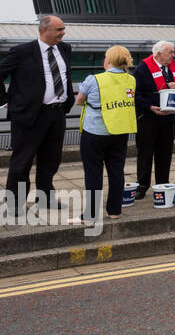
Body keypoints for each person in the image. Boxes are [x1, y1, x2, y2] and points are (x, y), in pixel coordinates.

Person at [0, 14, 74, 214]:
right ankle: (15, 204)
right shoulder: (22, 52)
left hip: (57, 113)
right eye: (59, 29)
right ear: (44, 30)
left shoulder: (65, 49)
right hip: (30, 115)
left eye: (63, 29)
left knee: (51, 159)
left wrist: (68, 101)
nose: (63, 33)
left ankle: (45, 198)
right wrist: (5, 101)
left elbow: (65, 76)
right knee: (21, 161)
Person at [75, 45, 137, 225]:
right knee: (116, 171)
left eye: (105, 57)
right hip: (119, 131)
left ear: (108, 61)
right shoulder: (131, 80)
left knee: (93, 172)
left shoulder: (94, 79)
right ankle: (115, 211)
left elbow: (79, 101)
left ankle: (91, 214)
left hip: (95, 131)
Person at [132, 39, 175, 200]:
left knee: (165, 154)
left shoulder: (174, 68)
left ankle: (162, 183)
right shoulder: (142, 69)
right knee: (145, 153)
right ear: (158, 54)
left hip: (169, 119)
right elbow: (135, 95)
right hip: (148, 118)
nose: (174, 55)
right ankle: (142, 185)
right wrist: (149, 107)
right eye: (170, 52)